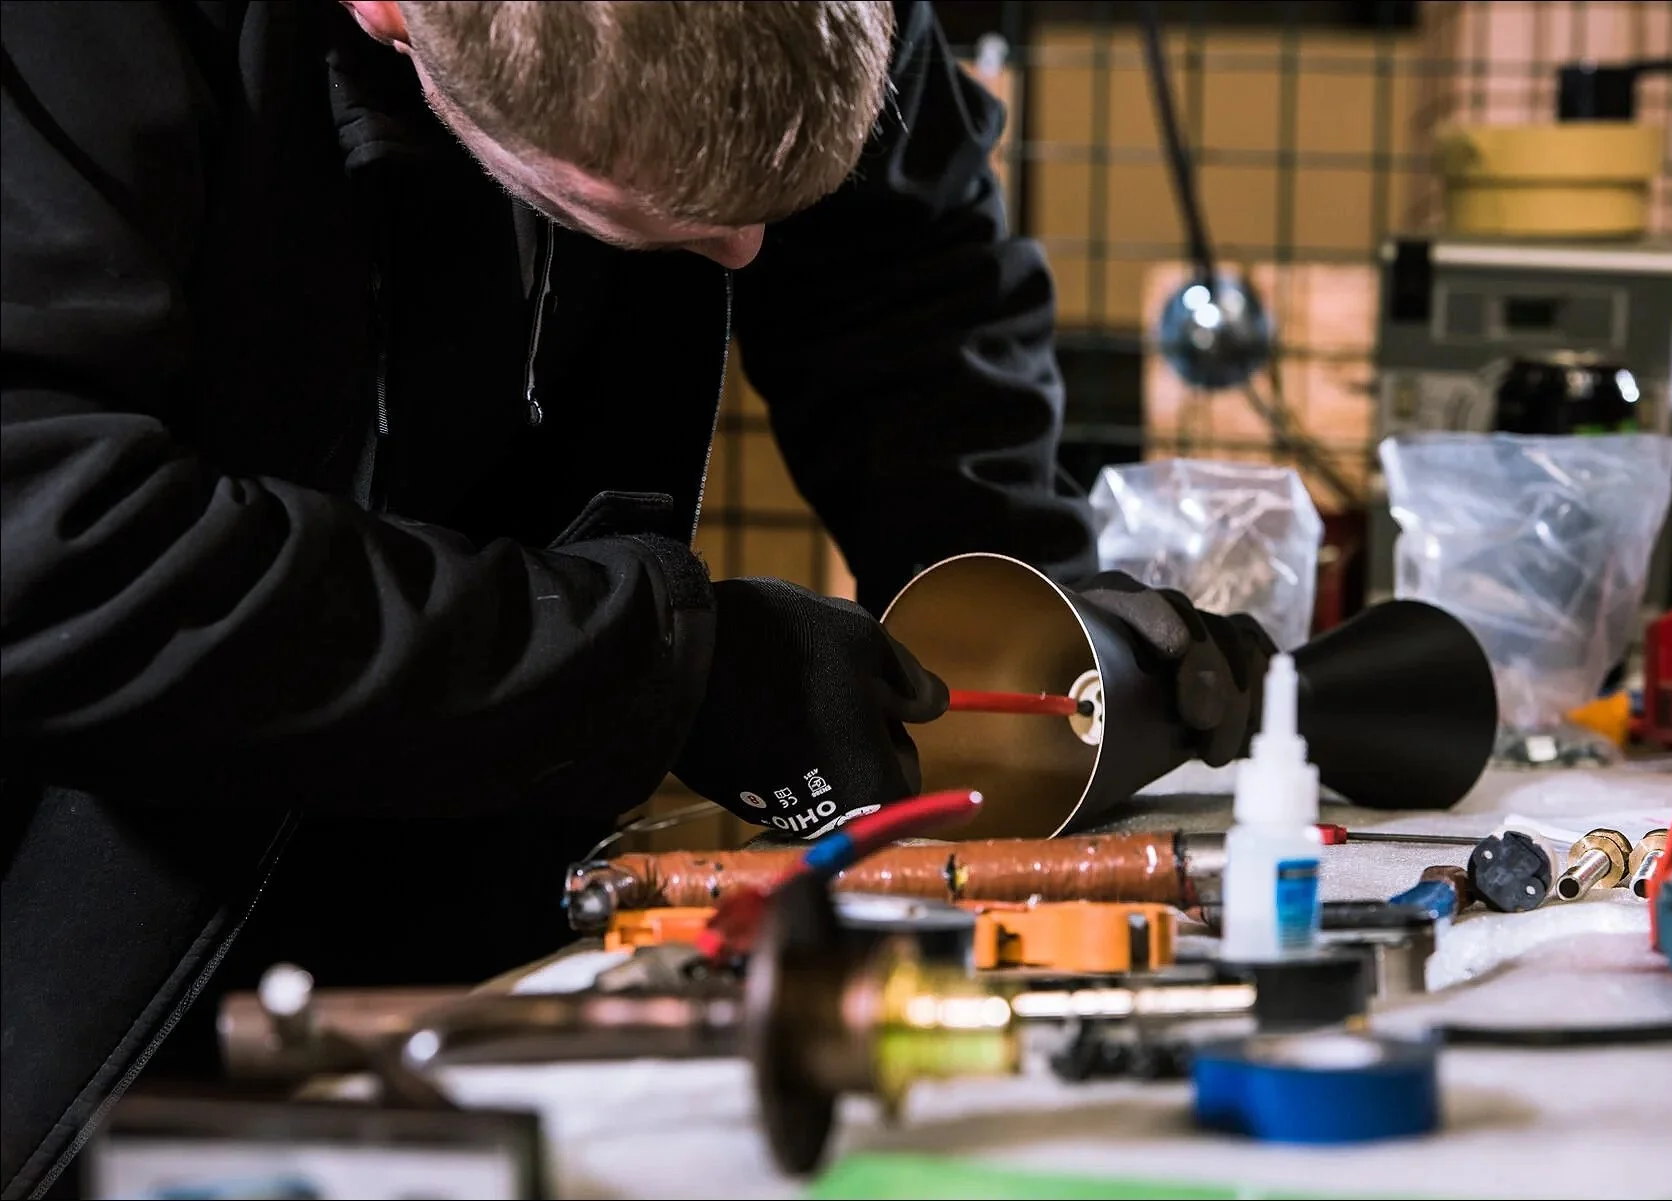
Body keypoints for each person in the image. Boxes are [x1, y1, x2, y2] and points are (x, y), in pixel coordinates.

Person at [1, 4, 1275, 1196]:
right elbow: (59, 561)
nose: (748, 257)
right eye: (659, 221)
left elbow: (898, 276)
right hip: (91, 964)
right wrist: (667, 673)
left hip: (505, 906)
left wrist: (1031, 612)